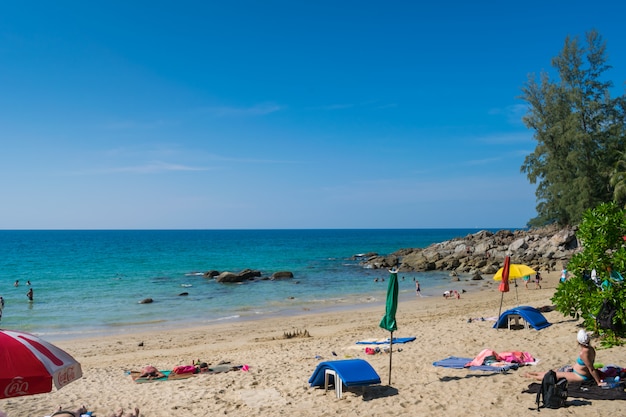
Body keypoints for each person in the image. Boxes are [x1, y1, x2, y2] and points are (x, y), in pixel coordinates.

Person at [524, 329, 606, 386]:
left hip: (580, 376)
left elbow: (591, 368)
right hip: (576, 371)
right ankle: (534, 373)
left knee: (552, 376)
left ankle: (531, 376)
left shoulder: (584, 353)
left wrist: (598, 382)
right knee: (551, 372)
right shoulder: (590, 349)